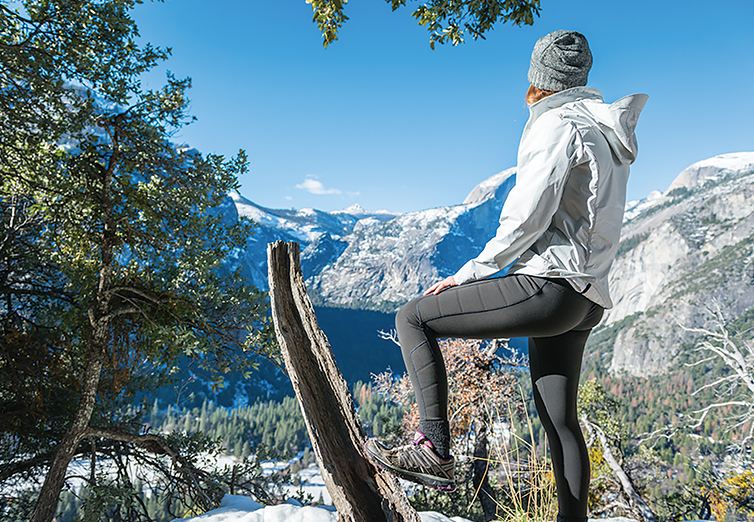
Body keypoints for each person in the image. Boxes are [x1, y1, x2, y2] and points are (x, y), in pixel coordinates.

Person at [365, 30, 647, 522]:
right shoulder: (604, 130)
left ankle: (432, 447)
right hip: (585, 297)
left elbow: (525, 217)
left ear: (539, 81)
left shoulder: (558, 124)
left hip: (550, 285)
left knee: (413, 318)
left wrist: (470, 273)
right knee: (561, 423)